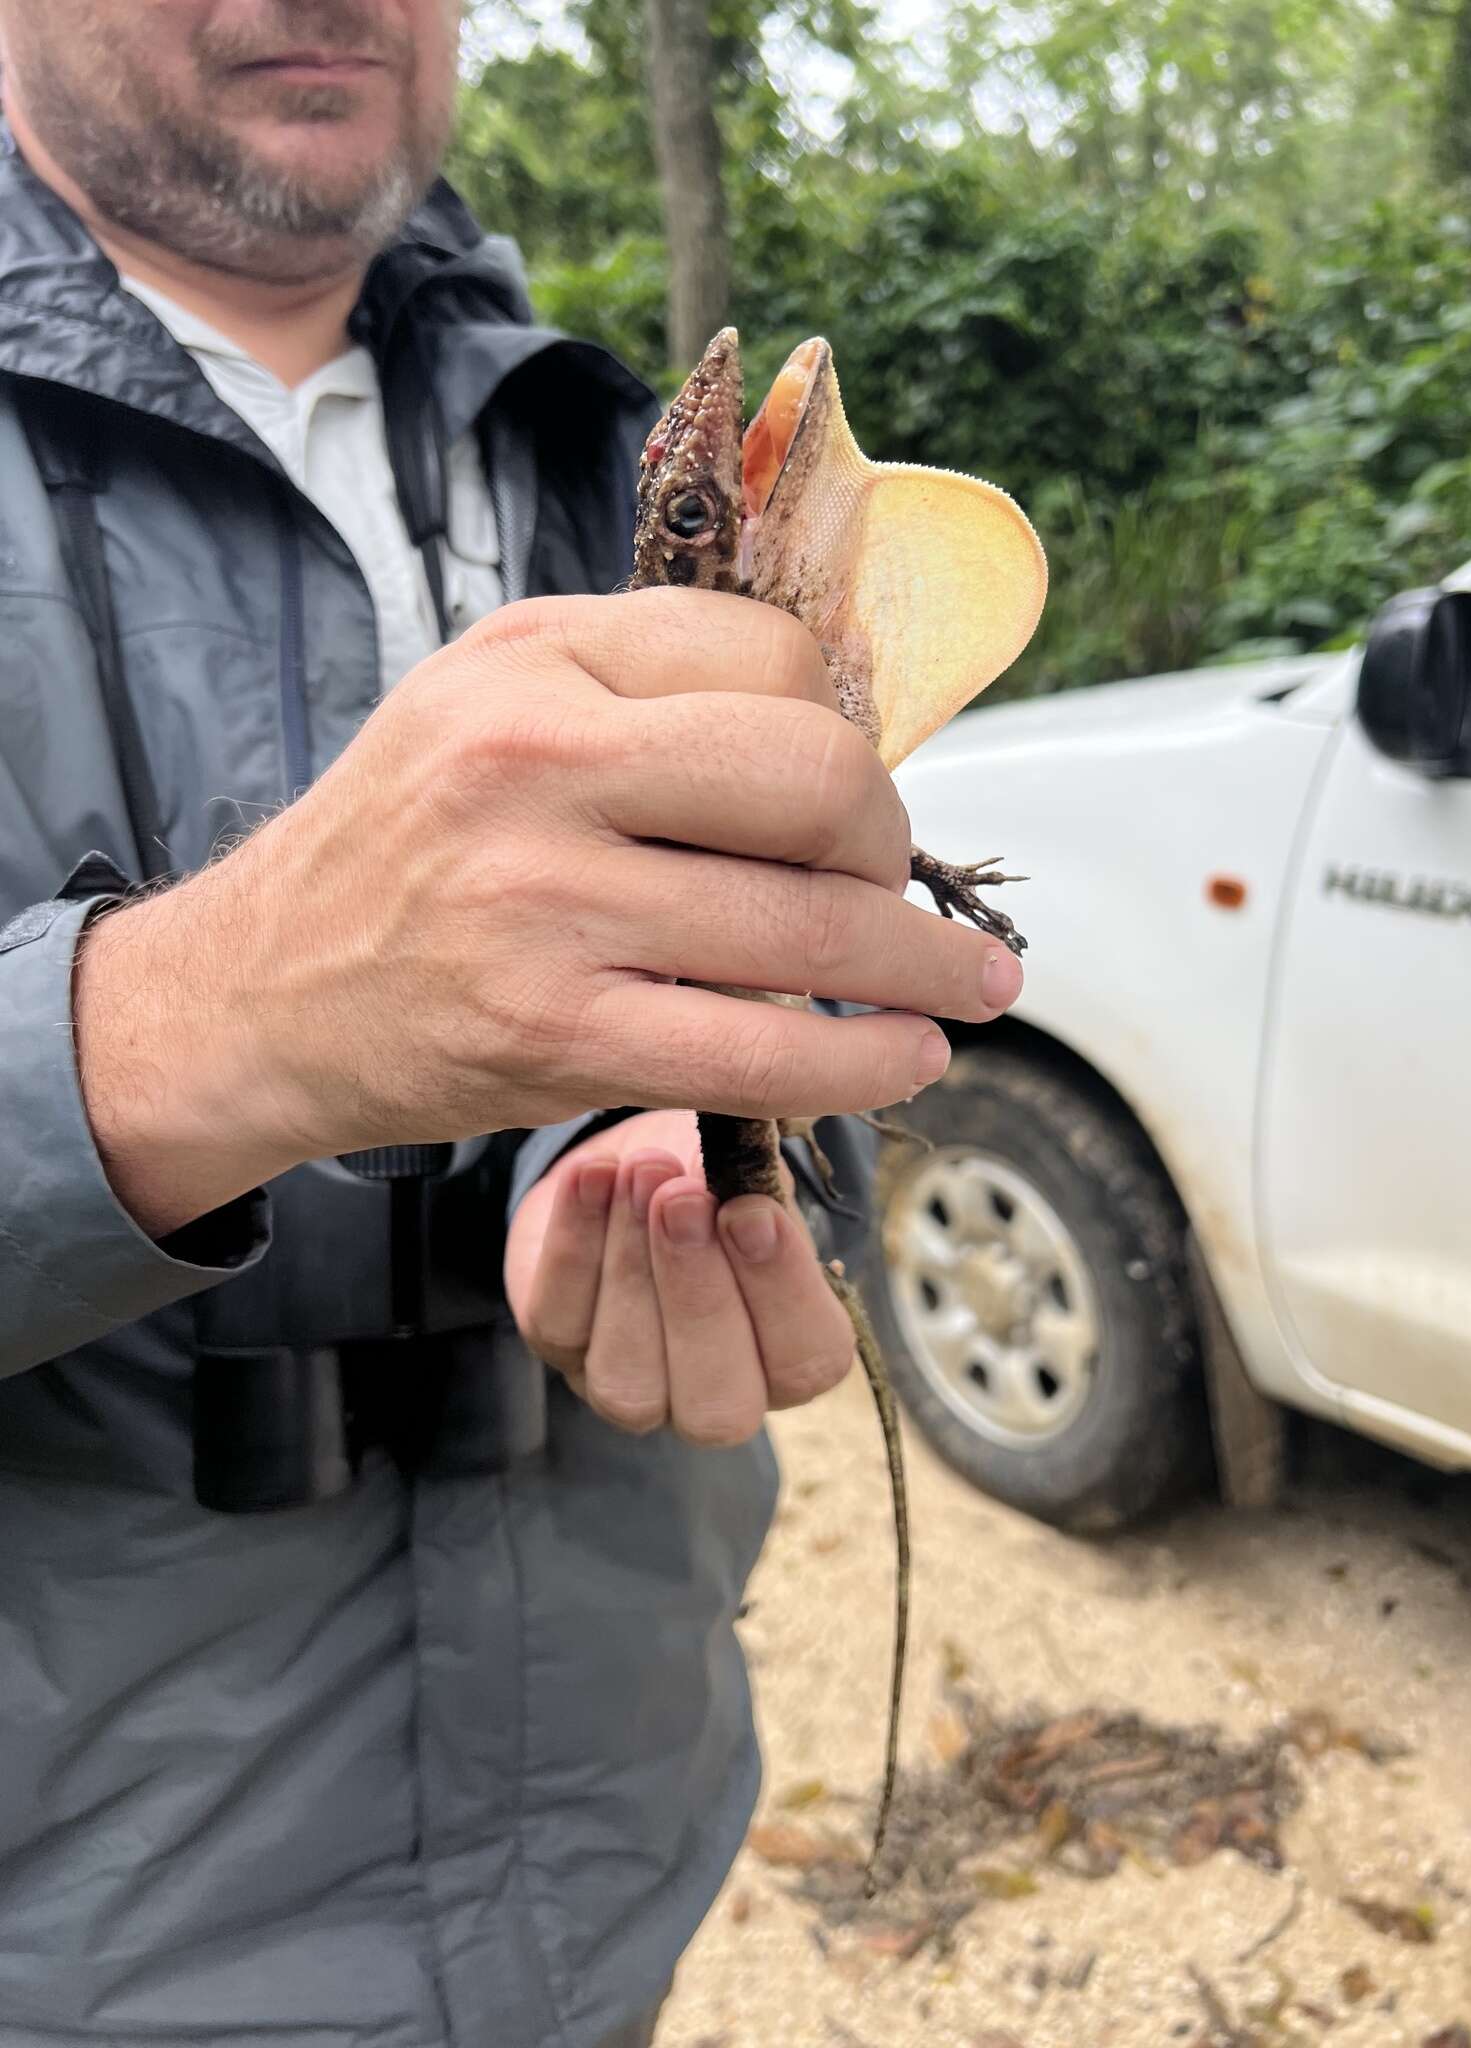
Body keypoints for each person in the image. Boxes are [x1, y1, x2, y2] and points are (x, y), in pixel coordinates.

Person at [0, 5, 1024, 2045]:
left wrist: (648, 1122)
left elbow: (765, 938)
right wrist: (214, 1017)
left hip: (603, 1866)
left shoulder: (587, 424)